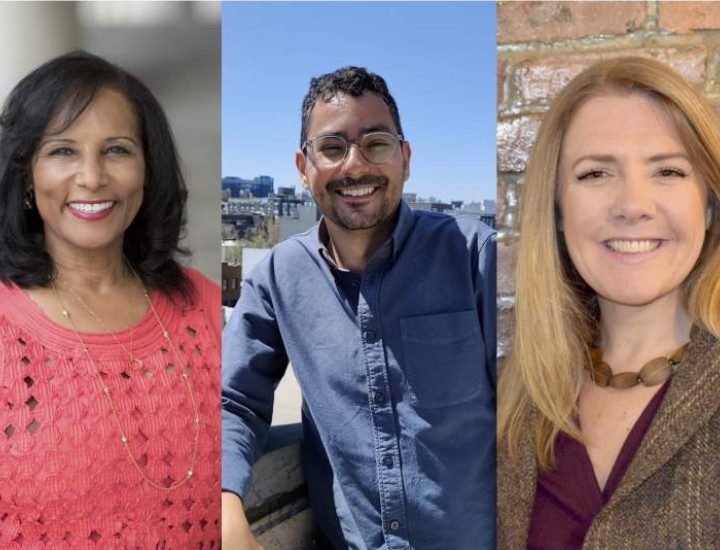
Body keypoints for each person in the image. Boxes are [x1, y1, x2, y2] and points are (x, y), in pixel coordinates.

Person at [222, 66, 496, 549]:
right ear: (303, 168)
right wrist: (223, 512)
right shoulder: (279, 278)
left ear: (405, 159)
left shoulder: (474, 255)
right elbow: (232, 400)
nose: (354, 166)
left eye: (376, 143)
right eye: (331, 148)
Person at [497, 56, 720, 548]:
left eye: (667, 170)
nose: (633, 204)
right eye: (596, 174)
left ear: (708, 203)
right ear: (556, 209)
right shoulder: (517, 398)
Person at [0, 51, 220, 546]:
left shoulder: (204, 308)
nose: (93, 177)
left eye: (117, 150)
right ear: (26, 176)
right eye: (62, 151)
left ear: (147, 167)